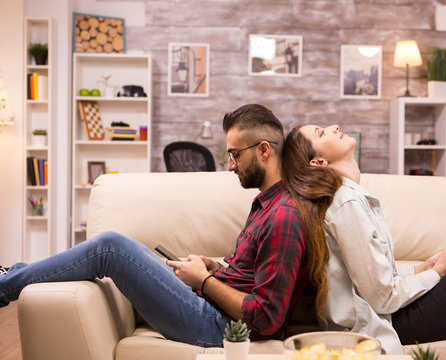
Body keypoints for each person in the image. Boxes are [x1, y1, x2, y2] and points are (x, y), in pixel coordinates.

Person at [0, 104, 312, 347]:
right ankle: (13, 274)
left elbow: (266, 317)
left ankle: (6, 283)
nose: (230, 165)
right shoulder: (266, 204)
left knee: (111, 248)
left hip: (223, 329)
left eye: (235, 155)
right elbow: (249, 277)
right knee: (128, 245)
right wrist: (212, 267)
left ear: (264, 150)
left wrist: (203, 281)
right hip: (213, 309)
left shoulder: (284, 215)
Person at [281, 124, 446, 354]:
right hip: (393, 322)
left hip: (390, 310)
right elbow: (382, 298)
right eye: (321, 132)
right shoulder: (345, 203)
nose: (334, 126)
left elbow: (373, 279)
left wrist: (422, 268)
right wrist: (436, 272)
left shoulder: (349, 197)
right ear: (318, 163)